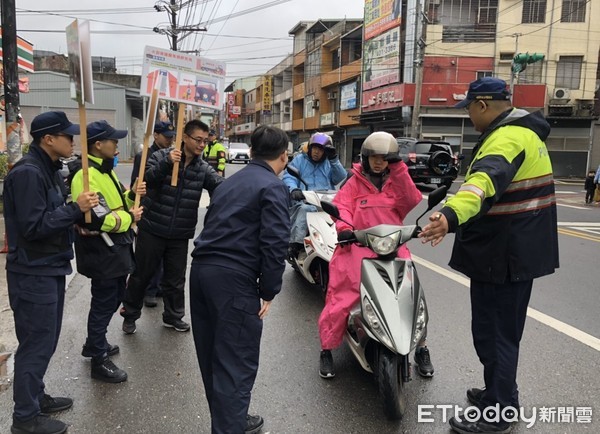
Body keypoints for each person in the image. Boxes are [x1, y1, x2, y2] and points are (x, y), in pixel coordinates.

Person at [419, 77, 559, 434]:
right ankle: (499, 392)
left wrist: (448, 218)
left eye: (467, 108)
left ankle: (500, 410)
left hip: (504, 254)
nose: (467, 115)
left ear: (482, 105)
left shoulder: (507, 138)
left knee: (495, 334)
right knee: (497, 331)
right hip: (509, 251)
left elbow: (481, 183)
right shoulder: (521, 133)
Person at [189, 125, 291, 434]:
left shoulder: (229, 183)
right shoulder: (273, 187)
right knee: (235, 363)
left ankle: (232, 419)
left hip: (201, 273)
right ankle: (230, 425)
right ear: (284, 156)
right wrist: (269, 290)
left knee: (212, 358)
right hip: (234, 280)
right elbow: (274, 243)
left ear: (251, 152)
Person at [3, 111, 99, 434]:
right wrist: (75, 210)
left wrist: (75, 225)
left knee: (46, 340)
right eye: (67, 136)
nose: (72, 141)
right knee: (36, 343)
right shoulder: (28, 174)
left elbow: (52, 216)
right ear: (48, 139)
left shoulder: (50, 169)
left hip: (49, 267)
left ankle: (36, 396)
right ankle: (25, 419)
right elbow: (34, 226)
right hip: (33, 273)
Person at [317, 132, 434, 379]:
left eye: (386, 158)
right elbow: (342, 208)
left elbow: (411, 199)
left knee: (413, 296)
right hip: (358, 246)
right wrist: (345, 229)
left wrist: (399, 167)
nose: (379, 163)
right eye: (375, 158)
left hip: (393, 246)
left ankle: (421, 348)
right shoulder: (354, 182)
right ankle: (327, 349)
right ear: (366, 158)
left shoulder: (397, 181)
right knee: (343, 296)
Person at [120, 119, 223, 334]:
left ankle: (173, 316)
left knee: (175, 279)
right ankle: (130, 314)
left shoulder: (202, 168)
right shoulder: (159, 156)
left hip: (179, 233)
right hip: (152, 227)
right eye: (198, 140)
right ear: (184, 137)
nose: (202, 145)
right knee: (141, 275)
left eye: (205, 141)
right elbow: (146, 180)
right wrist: (167, 162)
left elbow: (219, 186)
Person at [70, 121, 145, 383]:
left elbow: (115, 202)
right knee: (104, 302)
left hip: (115, 249)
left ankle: (95, 341)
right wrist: (130, 217)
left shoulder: (105, 170)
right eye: (113, 141)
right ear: (98, 144)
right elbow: (96, 218)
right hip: (102, 249)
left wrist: (132, 195)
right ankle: (98, 359)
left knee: (115, 296)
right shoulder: (85, 175)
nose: (117, 146)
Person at [130, 121, 175, 308]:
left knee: (165, 254)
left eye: (172, 137)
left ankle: (159, 288)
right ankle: (149, 289)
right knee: (148, 256)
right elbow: (136, 182)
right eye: (166, 136)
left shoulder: (173, 155)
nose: (170, 140)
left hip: (166, 208)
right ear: (155, 135)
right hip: (148, 208)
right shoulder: (144, 156)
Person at [282, 132, 347, 259]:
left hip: (326, 202)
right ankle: (296, 244)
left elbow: (340, 177)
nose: (317, 152)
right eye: (315, 148)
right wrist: (294, 189)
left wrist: (334, 160)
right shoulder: (300, 160)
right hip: (304, 201)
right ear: (310, 148)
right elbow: (289, 176)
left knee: (342, 215)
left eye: (321, 149)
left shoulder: (329, 162)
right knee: (306, 210)